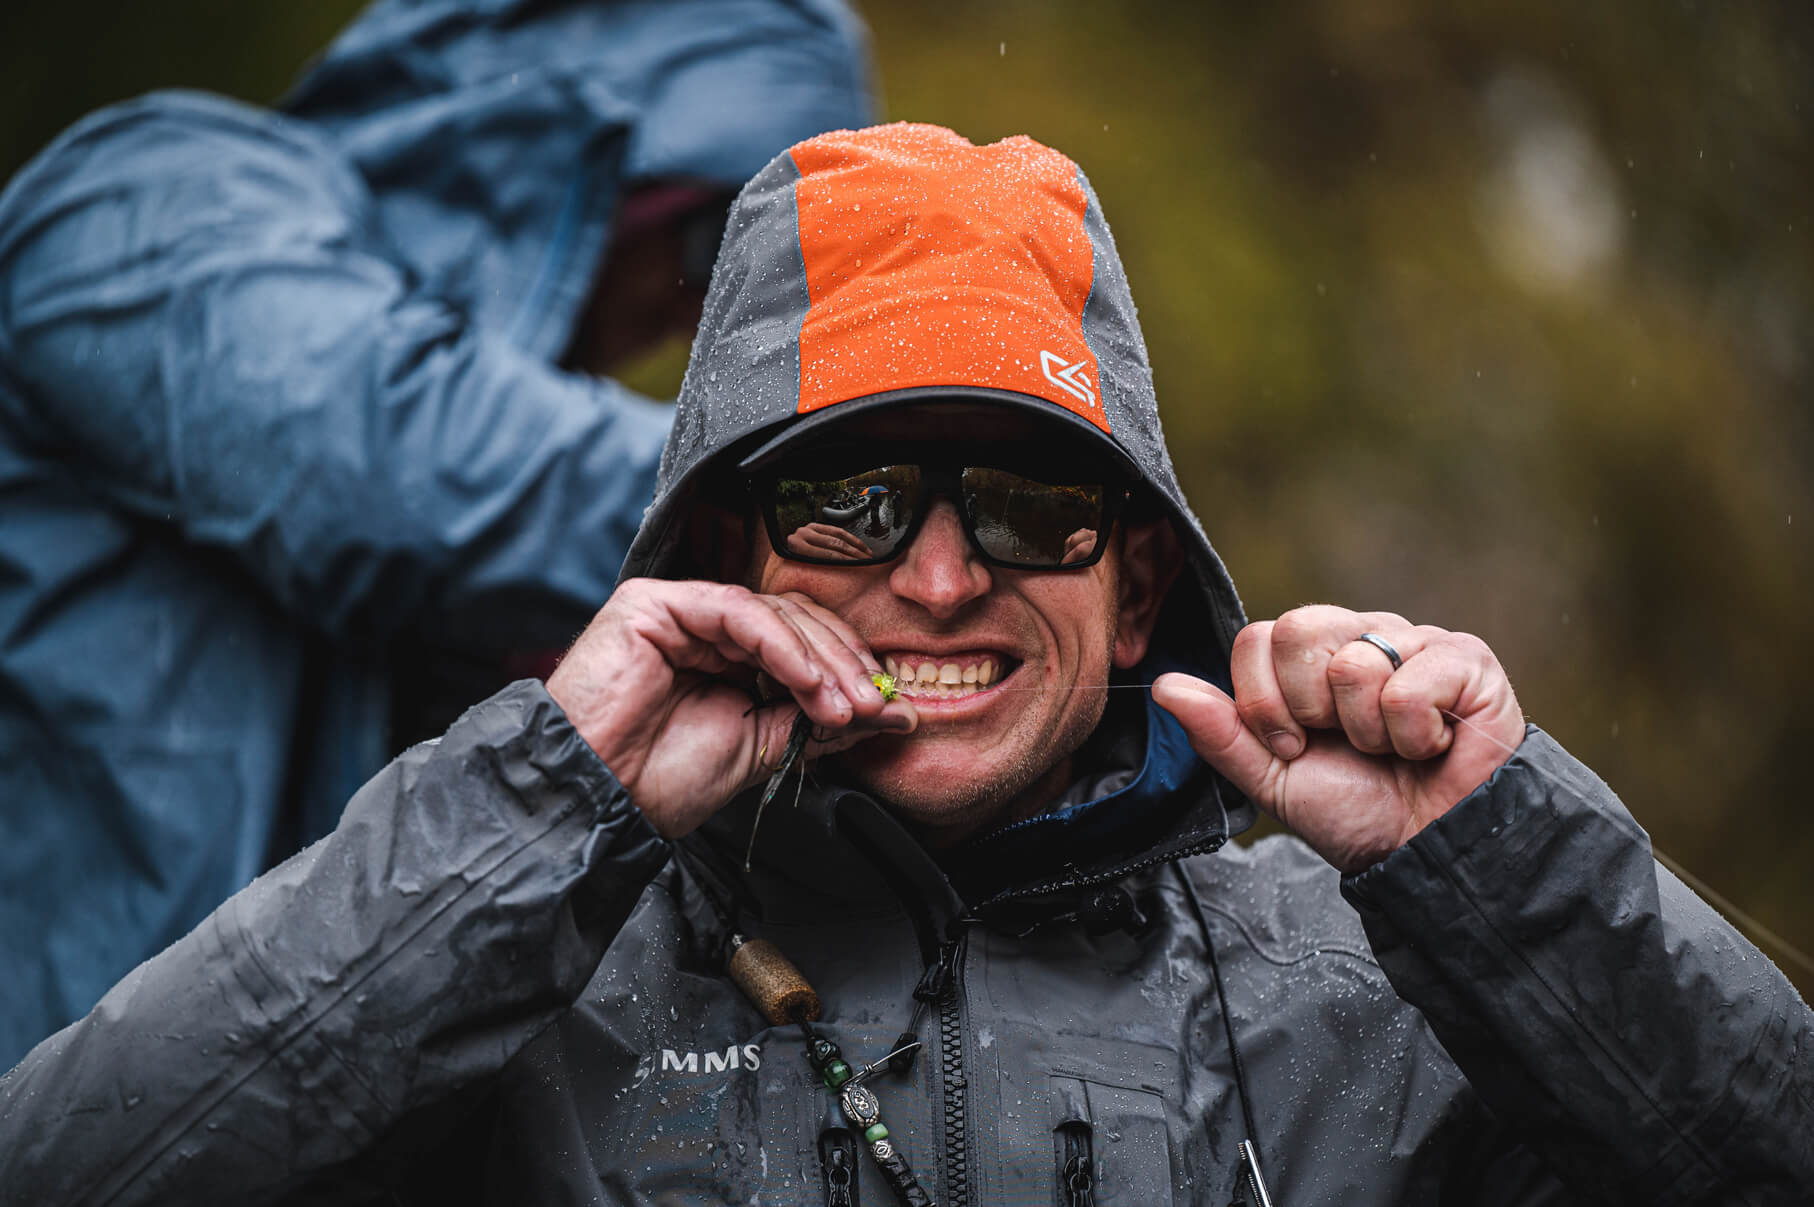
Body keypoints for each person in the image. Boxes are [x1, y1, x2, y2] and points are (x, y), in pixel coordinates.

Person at [3, 122, 1809, 1206]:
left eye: (1032, 503)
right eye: (849, 499)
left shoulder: (1385, 991)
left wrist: (1504, 869)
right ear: (725, 557)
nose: (937, 578)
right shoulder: (500, 989)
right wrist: (534, 799)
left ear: (1137, 586)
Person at [0, 0, 874, 1066]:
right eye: (718, 247)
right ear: (584, 158)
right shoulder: (146, 199)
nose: (703, 318)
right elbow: (389, 463)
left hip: (273, 1102)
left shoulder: (548, 519)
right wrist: (847, 504)